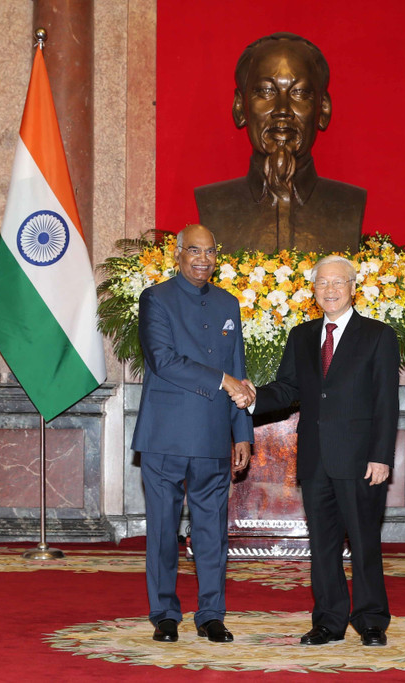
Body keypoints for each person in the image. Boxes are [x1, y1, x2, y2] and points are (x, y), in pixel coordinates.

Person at [237, 255, 399, 646]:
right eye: (322, 283)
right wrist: (254, 396)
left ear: (353, 288)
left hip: (361, 460)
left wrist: (381, 456)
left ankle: (371, 620)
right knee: (323, 545)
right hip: (314, 460)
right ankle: (328, 621)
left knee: (363, 541)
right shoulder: (302, 335)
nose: (329, 289)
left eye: (337, 282)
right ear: (313, 290)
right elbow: (289, 388)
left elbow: (385, 401)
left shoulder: (378, 335)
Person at [131, 224, 255, 644]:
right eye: (194, 251)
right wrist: (224, 381)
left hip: (211, 435)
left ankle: (211, 614)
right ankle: (165, 613)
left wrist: (242, 432)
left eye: (210, 252)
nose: (202, 259)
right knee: (164, 530)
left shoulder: (228, 303)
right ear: (178, 255)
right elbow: (164, 360)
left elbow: (237, 372)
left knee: (211, 531)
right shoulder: (156, 299)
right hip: (165, 435)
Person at [195, 33, 365, 254]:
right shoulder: (214, 204)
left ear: (323, 109)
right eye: (266, 91)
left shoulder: (349, 204)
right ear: (240, 107)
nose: (282, 110)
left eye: (299, 92)